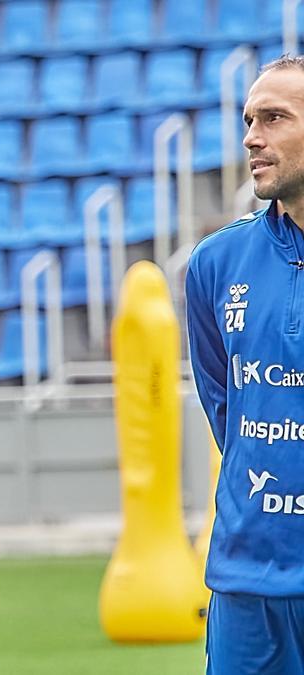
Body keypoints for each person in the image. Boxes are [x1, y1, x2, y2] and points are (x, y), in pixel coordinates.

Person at [187, 55, 304, 675]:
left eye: (275, 118)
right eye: (248, 119)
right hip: (245, 578)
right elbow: (225, 409)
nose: (252, 136)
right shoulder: (215, 263)